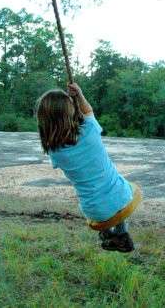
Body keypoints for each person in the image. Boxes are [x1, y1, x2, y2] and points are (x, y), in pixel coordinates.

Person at [36, 82, 135, 252]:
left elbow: (68, 131)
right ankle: (121, 232)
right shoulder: (90, 129)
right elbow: (88, 111)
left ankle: (107, 234)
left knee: (97, 201)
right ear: (71, 110)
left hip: (93, 210)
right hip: (122, 197)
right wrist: (79, 95)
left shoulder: (55, 152)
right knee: (116, 189)